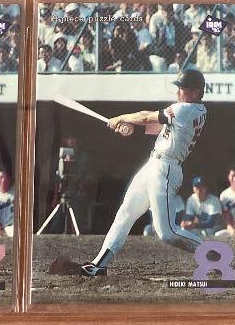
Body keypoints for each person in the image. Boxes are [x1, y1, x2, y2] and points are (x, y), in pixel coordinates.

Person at [76, 69, 208, 275]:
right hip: (153, 165)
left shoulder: (186, 109)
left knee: (167, 233)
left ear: (195, 92)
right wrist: (128, 126)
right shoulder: (191, 111)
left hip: (166, 169)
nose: (178, 92)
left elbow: (146, 116)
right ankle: (99, 264)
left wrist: (120, 117)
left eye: (182, 88)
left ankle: (213, 253)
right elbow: (156, 127)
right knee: (125, 213)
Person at [218, 168, 235, 236]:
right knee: (218, 235)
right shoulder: (224, 195)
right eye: (233, 176)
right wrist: (231, 229)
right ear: (228, 177)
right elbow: (226, 216)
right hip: (233, 227)